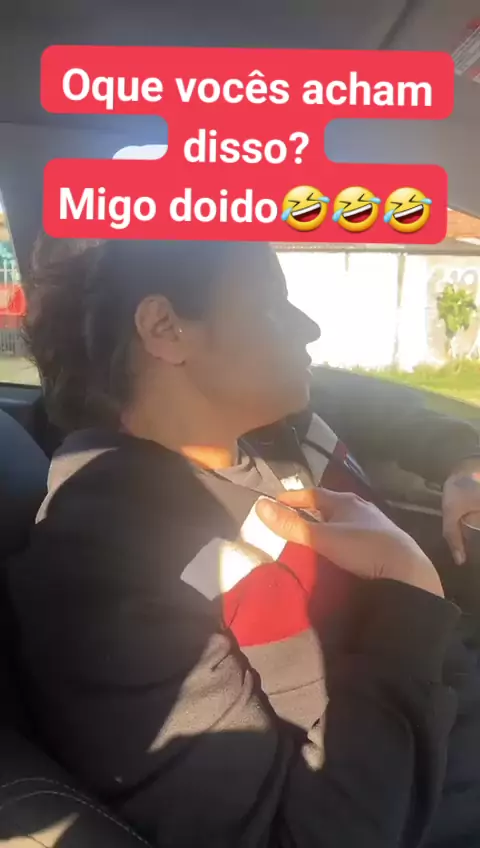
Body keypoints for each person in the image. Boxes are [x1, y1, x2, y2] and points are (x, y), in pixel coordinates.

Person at [7, 234, 468, 848]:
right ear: (165, 328)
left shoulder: (273, 427)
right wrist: (408, 594)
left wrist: (464, 458)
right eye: (272, 304)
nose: (309, 328)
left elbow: (372, 400)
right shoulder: (107, 564)